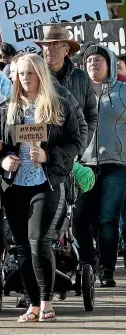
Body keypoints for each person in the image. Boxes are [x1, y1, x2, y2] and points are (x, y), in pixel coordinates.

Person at [0, 53, 81, 322]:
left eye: (31, 73)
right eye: (21, 73)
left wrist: (48, 156)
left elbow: (76, 143)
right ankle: (32, 304)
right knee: (20, 245)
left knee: (38, 241)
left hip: (46, 182)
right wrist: (3, 159)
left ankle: (46, 302)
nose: (26, 78)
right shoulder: (7, 108)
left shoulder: (60, 106)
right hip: (15, 185)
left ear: (41, 75)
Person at [76, 45, 126, 287]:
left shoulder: (123, 92)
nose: (93, 64)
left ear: (110, 64)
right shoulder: (76, 93)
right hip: (83, 165)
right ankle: (87, 264)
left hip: (116, 165)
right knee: (80, 221)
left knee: (107, 219)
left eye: (99, 60)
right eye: (89, 61)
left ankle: (106, 270)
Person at [34, 24, 97, 151]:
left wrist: (80, 146)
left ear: (66, 50)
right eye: (46, 44)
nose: (49, 49)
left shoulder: (81, 77)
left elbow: (91, 115)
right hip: (39, 152)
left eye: (55, 44)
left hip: (71, 154)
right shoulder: (33, 75)